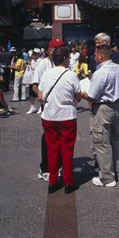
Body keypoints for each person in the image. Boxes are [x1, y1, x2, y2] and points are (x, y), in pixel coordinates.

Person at [38, 45, 82, 194]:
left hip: (49, 117)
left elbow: (40, 96)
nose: (69, 60)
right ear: (64, 59)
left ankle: (52, 181)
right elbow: (78, 97)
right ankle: (68, 182)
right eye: (68, 57)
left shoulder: (46, 74)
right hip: (67, 117)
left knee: (52, 150)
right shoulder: (71, 75)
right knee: (67, 150)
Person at [82, 44, 119, 187]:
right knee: (114, 140)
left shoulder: (100, 72)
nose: (94, 58)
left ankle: (107, 177)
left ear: (100, 56)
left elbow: (92, 96)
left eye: (95, 55)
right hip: (116, 106)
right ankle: (118, 171)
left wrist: (83, 94)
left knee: (101, 143)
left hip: (103, 108)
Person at [33, 38, 66, 181]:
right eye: (58, 48)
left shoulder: (64, 63)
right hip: (48, 106)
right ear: (50, 50)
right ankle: (45, 167)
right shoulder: (43, 64)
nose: (61, 51)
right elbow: (35, 85)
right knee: (47, 138)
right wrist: (42, 97)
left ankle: (58, 165)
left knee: (60, 138)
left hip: (61, 108)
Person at [26, 48, 42, 114]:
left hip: (38, 78)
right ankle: (32, 106)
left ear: (38, 54)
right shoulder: (31, 60)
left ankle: (42, 105)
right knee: (31, 93)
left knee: (38, 92)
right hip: (31, 78)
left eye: (35, 53)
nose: (33, 55)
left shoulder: (41, 61)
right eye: (33, 53)